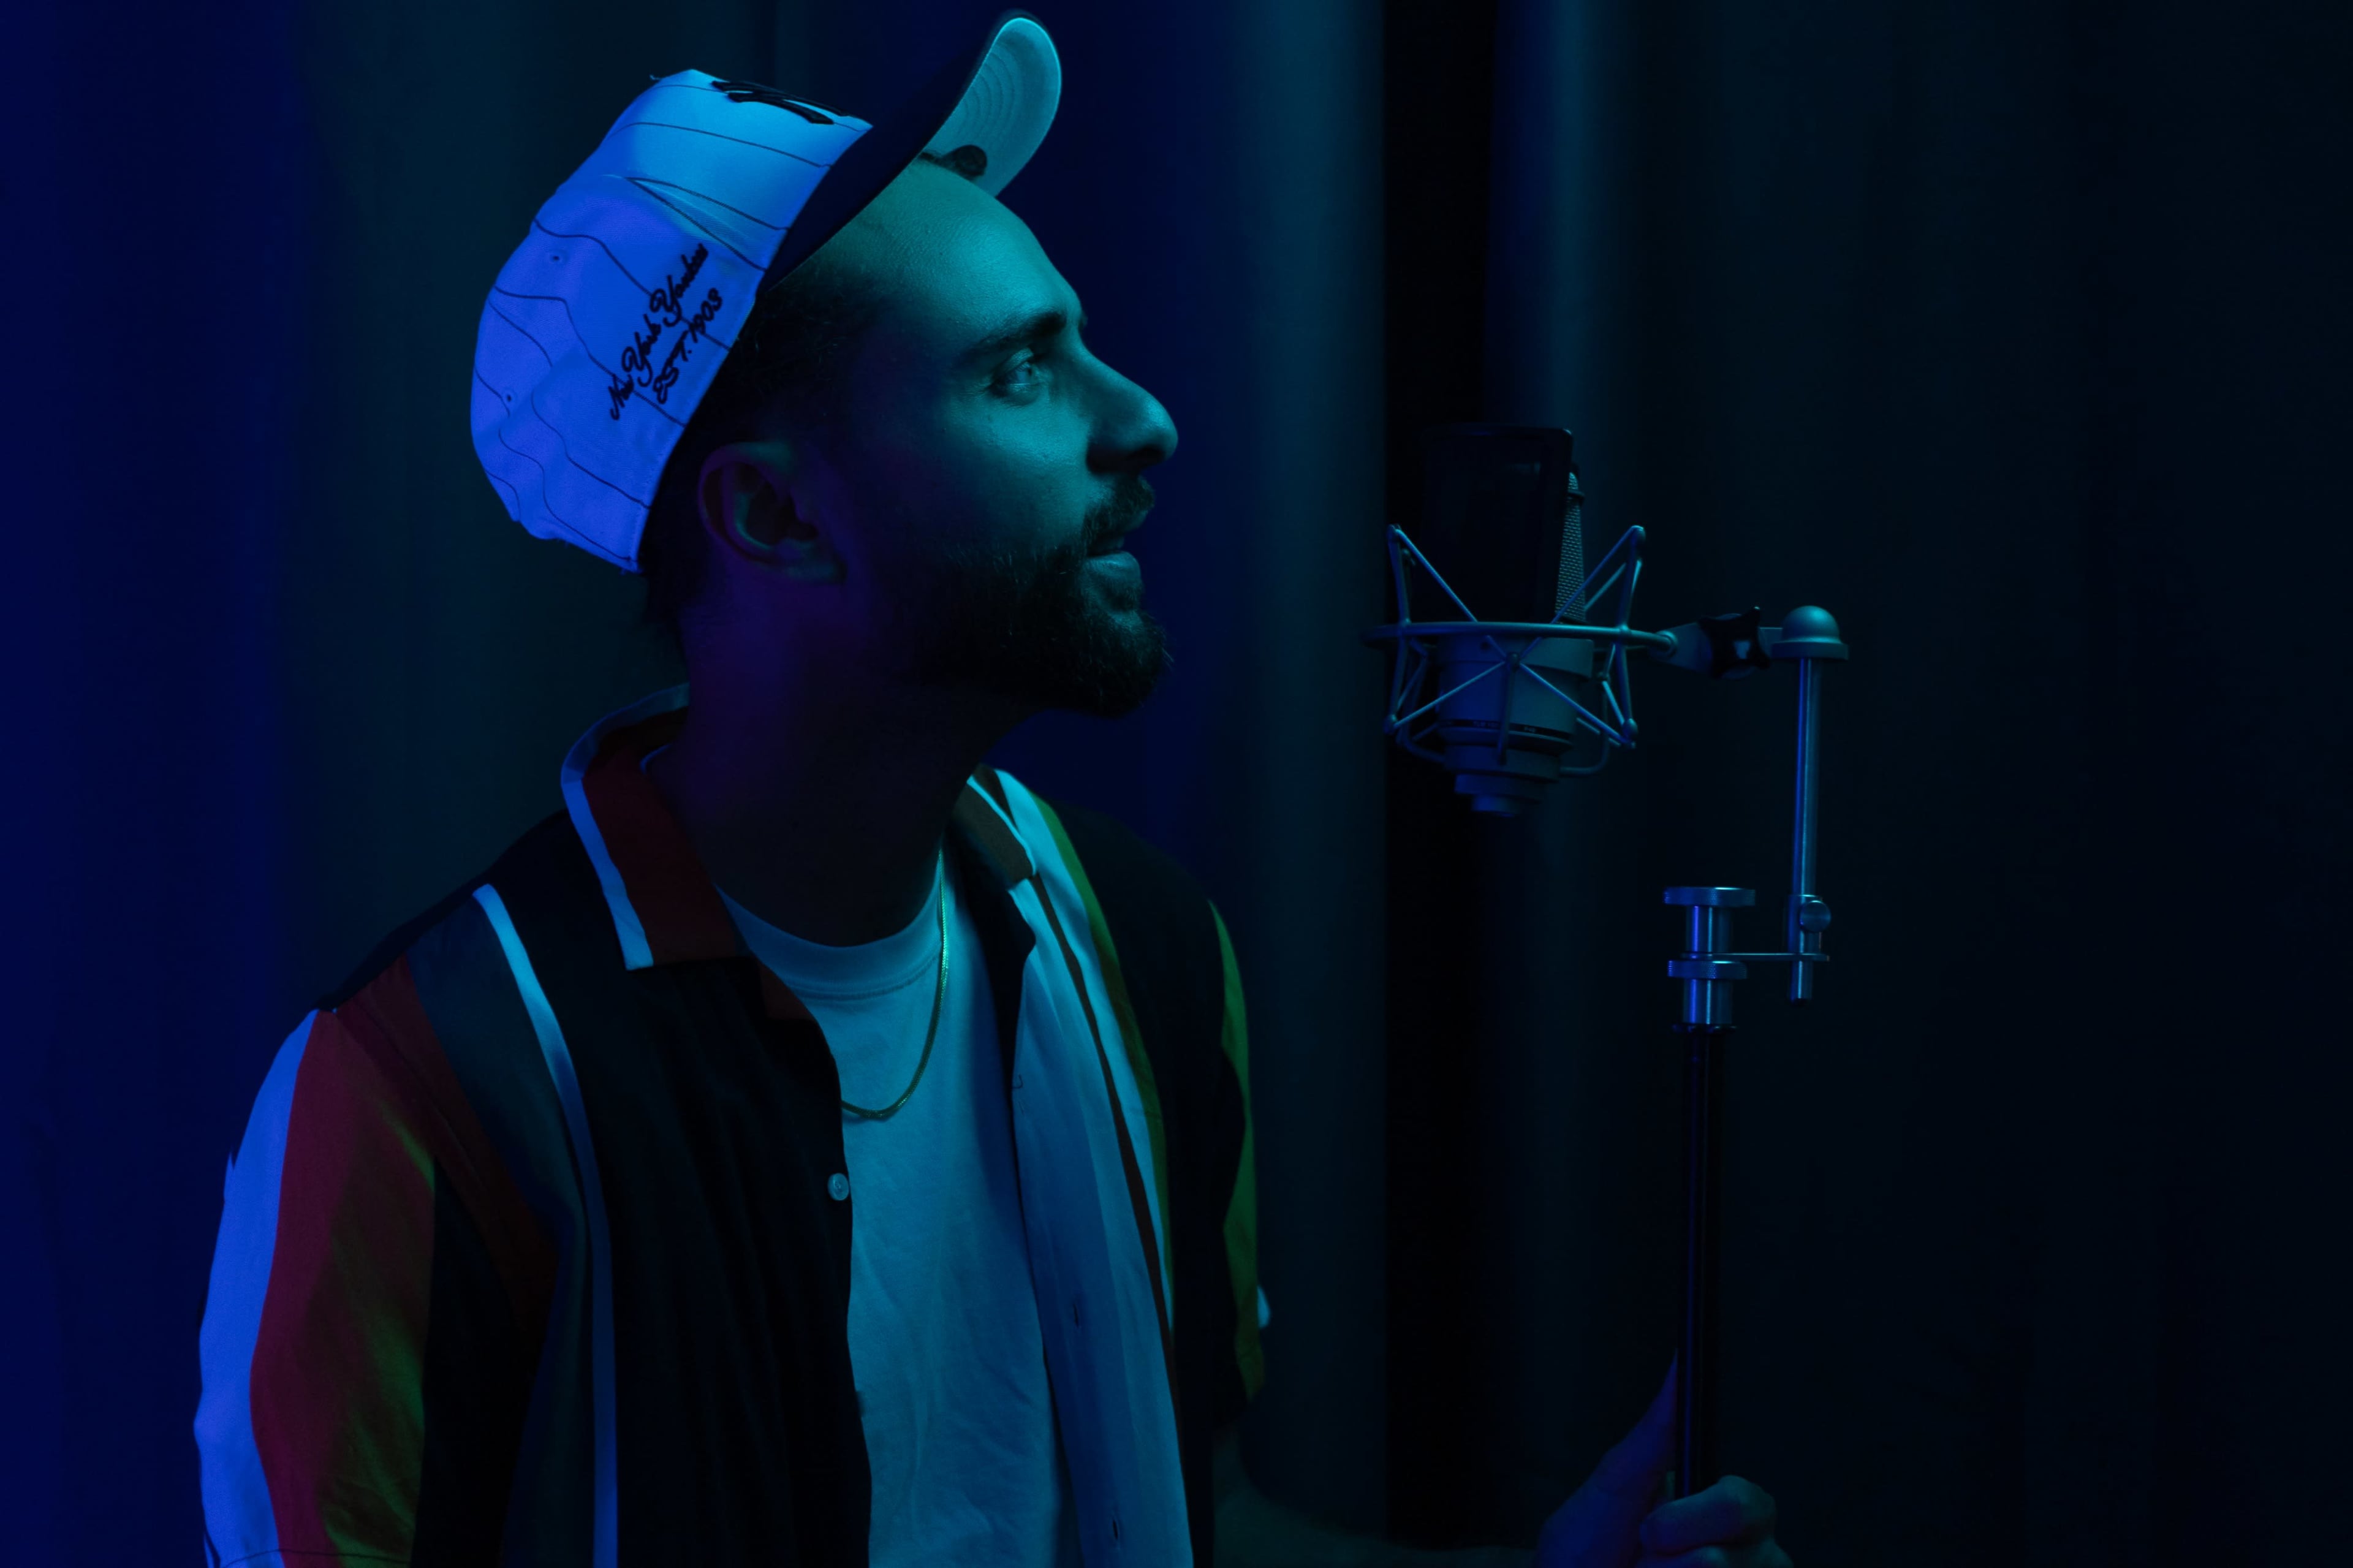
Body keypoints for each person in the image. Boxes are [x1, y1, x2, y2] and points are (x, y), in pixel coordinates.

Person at [195, 15, 1789, 1567]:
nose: (1144, 421)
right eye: (1023, 377)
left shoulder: (1146, 955)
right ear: (774, 519)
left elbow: (1182, 1521)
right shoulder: (421, 1101)